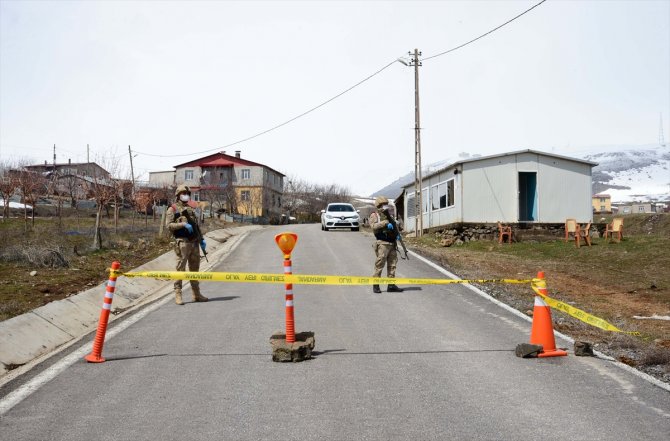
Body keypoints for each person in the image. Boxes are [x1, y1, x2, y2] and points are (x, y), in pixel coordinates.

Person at [166, 185, 209, 305]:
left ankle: (196, 294)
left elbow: (195, 227)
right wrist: (183, 225)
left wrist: (201, 240)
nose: (186, 195)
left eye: (187, 193)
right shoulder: (173, 209)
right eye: (183, 193)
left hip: (194, 242)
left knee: (194, 269)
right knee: (180, 269)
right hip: (183, 242)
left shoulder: (190, 209)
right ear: (178, 195)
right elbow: (168, 225)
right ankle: (178, 294)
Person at [369, 196, 404, 294]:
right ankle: (376, 285)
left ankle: (391, 285)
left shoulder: (389, 214)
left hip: (392, 243)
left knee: (392, 265)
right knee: (379, 265)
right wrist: (384, 223)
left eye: (386, 204)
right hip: (382, 244)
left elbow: (396, 227)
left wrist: (397, 229)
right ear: (379, 205)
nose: (385, 206)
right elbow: (373, 226)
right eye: (383, 204)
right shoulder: (375, 215)